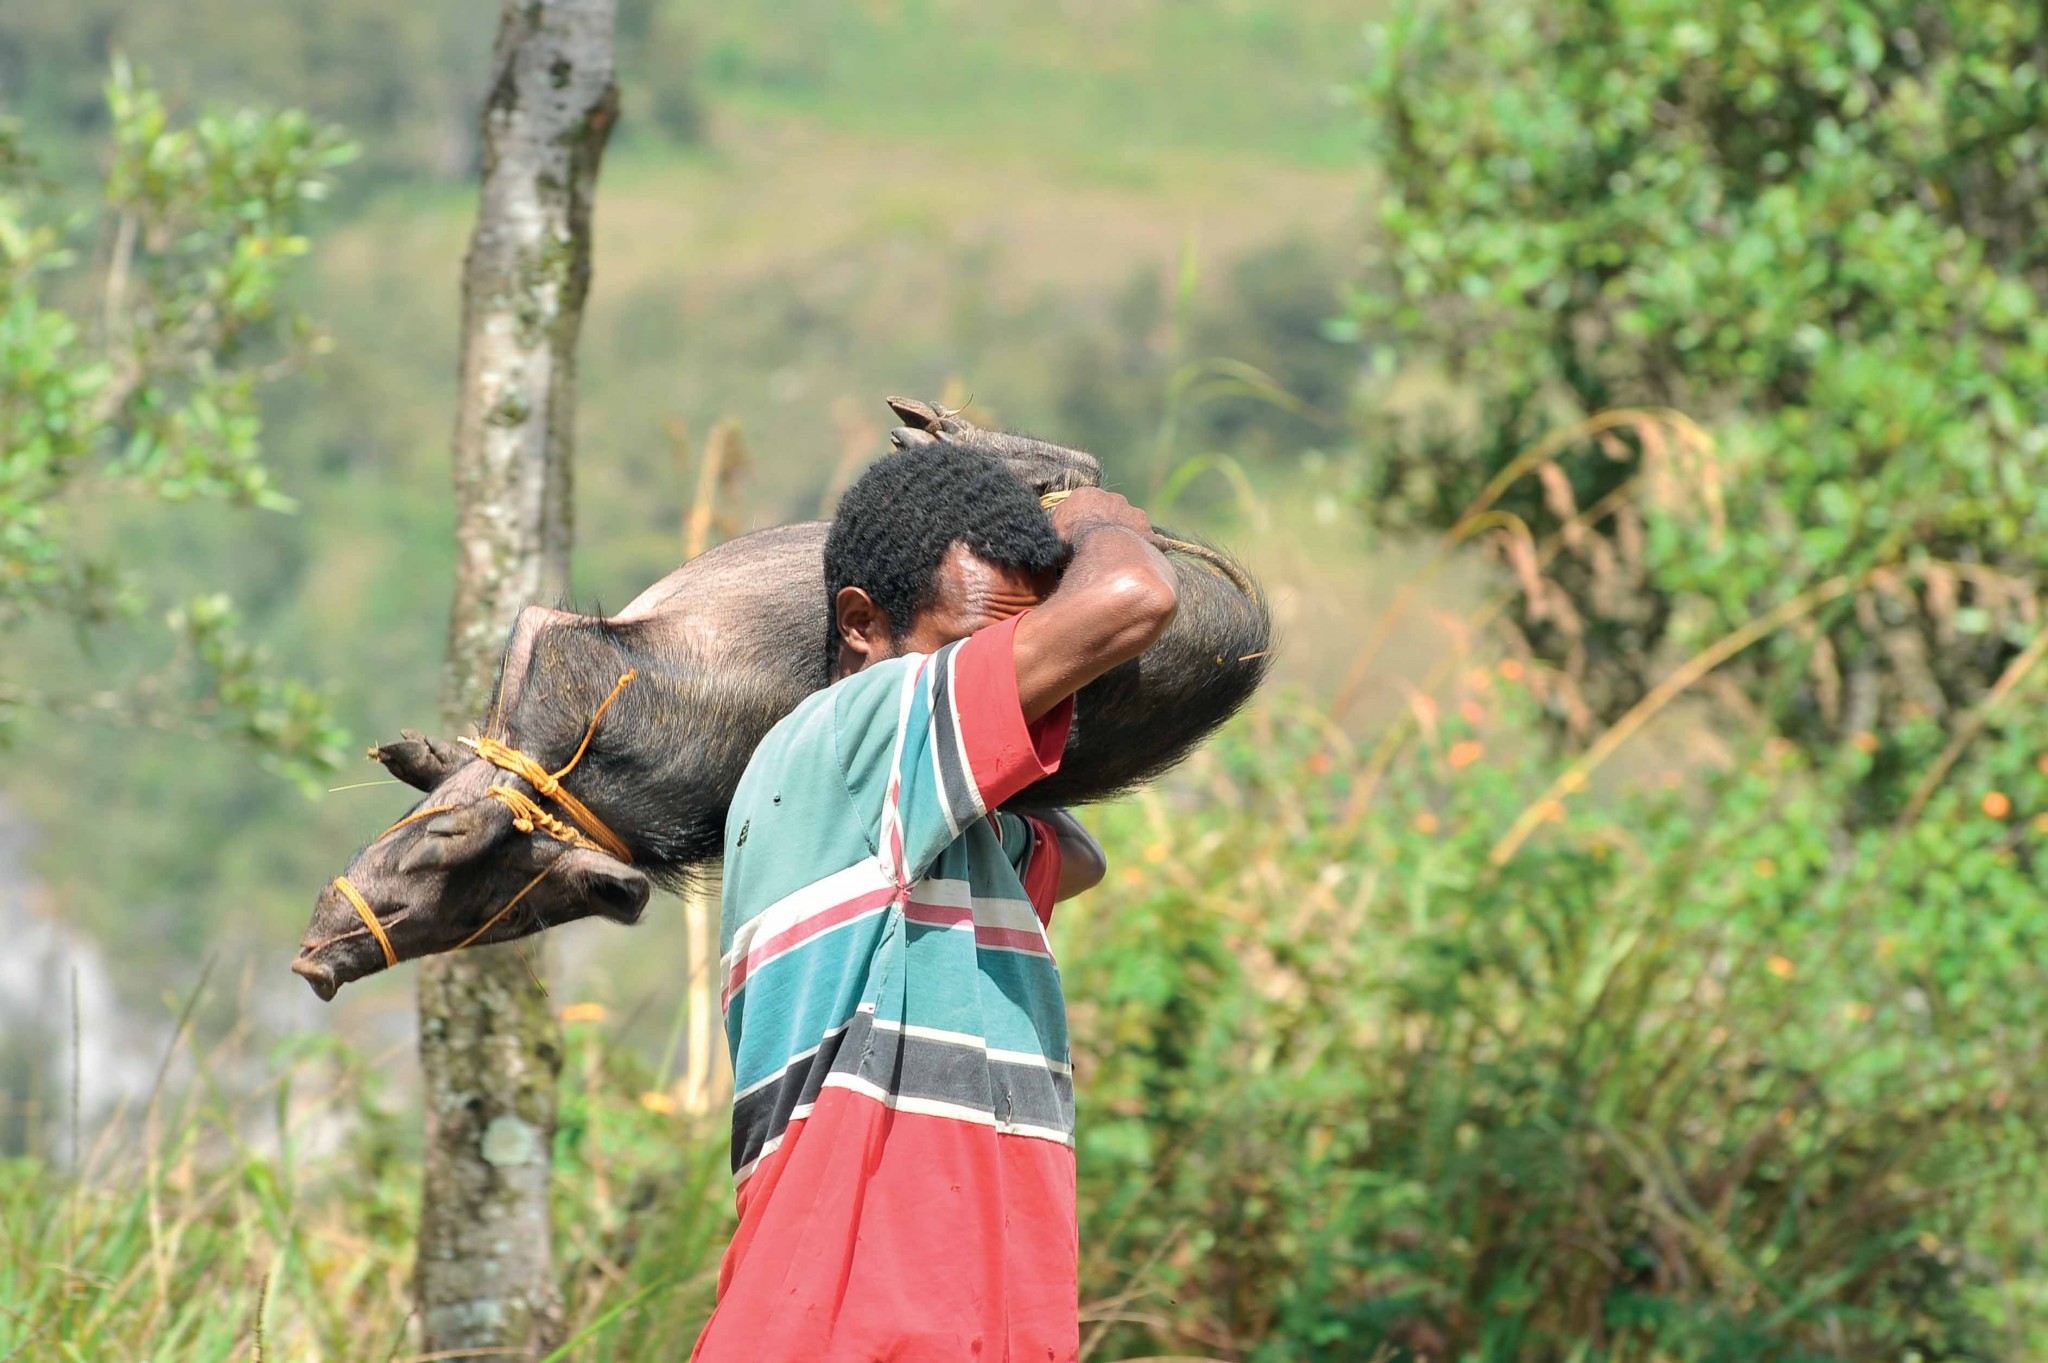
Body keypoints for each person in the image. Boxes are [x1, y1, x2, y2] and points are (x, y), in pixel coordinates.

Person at [691, 446, 1179, 1361]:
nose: (1019, 676)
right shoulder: (853, 731)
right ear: (861, 626)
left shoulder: (932, 829)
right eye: (976, 650)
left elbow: (1074, 857)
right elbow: (1135, 597)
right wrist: (1092, 520)